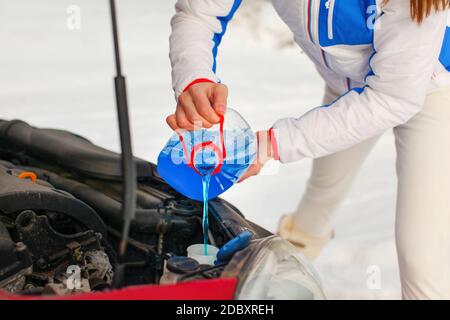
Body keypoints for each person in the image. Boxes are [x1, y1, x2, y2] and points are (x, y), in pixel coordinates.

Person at [167, 0, 450, 299]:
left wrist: (271, 144)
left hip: (430, 91)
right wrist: (194, 77)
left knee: (421, 254)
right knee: (322, 194)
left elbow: (392, 98)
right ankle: (284, 277)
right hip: (348, 91)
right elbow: (200, 12)